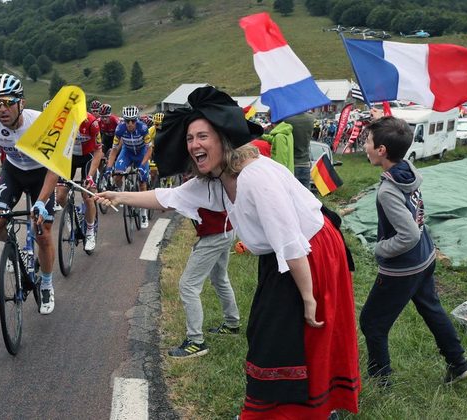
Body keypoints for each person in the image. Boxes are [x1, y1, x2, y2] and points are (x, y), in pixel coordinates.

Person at [94, 86, 360, 419]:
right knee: (271, 335)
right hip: (287, 257)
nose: (194, 145)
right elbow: (168, 197)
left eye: (202, 136)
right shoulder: (218, 179)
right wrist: (119, 197)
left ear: (223, 138)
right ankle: (304, 409)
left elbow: (289, 239)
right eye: (190, 139)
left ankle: (302, 410)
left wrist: (308, 296)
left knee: (287, 337)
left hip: (309, 255)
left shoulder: (254, 177)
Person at [360, 116, 467, 387]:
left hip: (403, 267)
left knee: (372, 322)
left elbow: (408, 234)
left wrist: (381, 248)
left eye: (367, 141)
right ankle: (459, 363)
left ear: (381, 150)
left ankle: (381, 381)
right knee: (431, 307)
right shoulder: (407, 170)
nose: (364, 145)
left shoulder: (388, 191)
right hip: (425, 257)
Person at [0, 73, 58, 315]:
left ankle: (46, 283)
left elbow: (53, 168)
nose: (2, 109)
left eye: (7, 102)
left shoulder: (40, 122)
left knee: (43, 234)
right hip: (13, 172)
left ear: (21, 102)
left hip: (41, 174)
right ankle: (18, 251)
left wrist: (41, 202)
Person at [166, 208, 241, 358]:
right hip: (225, 229)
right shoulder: (210, 183)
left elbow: (166, 201)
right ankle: (232, 324)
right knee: (220, 278)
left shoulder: (198, 183)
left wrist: (121, 197)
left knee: (188, 285)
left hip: (215, 234)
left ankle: (195, 342)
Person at [54, 104, 103, 252]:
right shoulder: (62, 122)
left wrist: (89, 176)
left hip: (88, 157)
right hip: (70, 158)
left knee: (88, 195)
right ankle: (71, 213)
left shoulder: (92, 122)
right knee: (60, 195)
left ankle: (89, 232)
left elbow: (98, 152)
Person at [104, 105, 152, 229]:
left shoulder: (143, 128)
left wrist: (142, 166)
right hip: (127, 152)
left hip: (141, 153)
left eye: (133, 121)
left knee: (142, 183)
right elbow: (114, 150)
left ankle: (143, 212)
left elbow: (149, 149)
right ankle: (121, 193)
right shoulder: (119, 129)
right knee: (117, 175)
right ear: (124, 121)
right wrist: (109, 167)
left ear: (137, 120)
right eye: (127, 121)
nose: (130, 124)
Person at [284, 110, 316, 187]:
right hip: (305, 163)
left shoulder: (287, 120)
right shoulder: (311, 118)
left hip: (291, 164)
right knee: (305, 195)